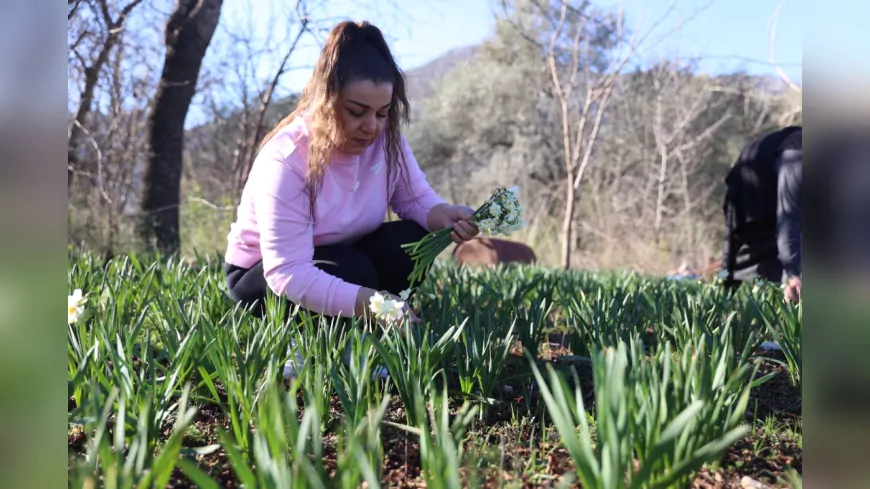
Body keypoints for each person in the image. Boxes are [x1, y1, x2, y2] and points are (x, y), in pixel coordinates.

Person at [223, 20, 480, 329]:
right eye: (357, 112)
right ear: (326, 102)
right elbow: (287, 273)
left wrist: (443, 214)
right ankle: (314, 336)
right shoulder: (286, 159)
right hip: (264, 277)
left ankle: (363, 312)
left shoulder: (387, 142)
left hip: (344, 254)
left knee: (412, 240)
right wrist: (377, 305)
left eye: (382, 113)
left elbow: (415, 199)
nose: (371, 127)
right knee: (350, 269)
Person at [720, 125, 802, 303]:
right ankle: (721, 292)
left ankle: (778, 303)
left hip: (770, 189)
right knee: (732, 259)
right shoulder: (797, 157)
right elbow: (789, 219)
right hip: (746, 191)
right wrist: (793, 274)